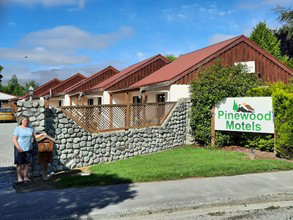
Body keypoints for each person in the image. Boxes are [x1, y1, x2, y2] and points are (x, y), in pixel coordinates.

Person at [13, 116, 37, 183]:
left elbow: (34, 136)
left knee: (26, 164)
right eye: (24, 120)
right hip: (19, 148)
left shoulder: (30, 128)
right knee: (19, 164)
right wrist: (18, 148)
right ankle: (19, 178)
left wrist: (41, 135)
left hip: (28, 148)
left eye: (26, 120)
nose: (25, 122)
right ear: (21, 121)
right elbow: (14, 140)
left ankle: (26, 177)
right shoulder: (17, 129)